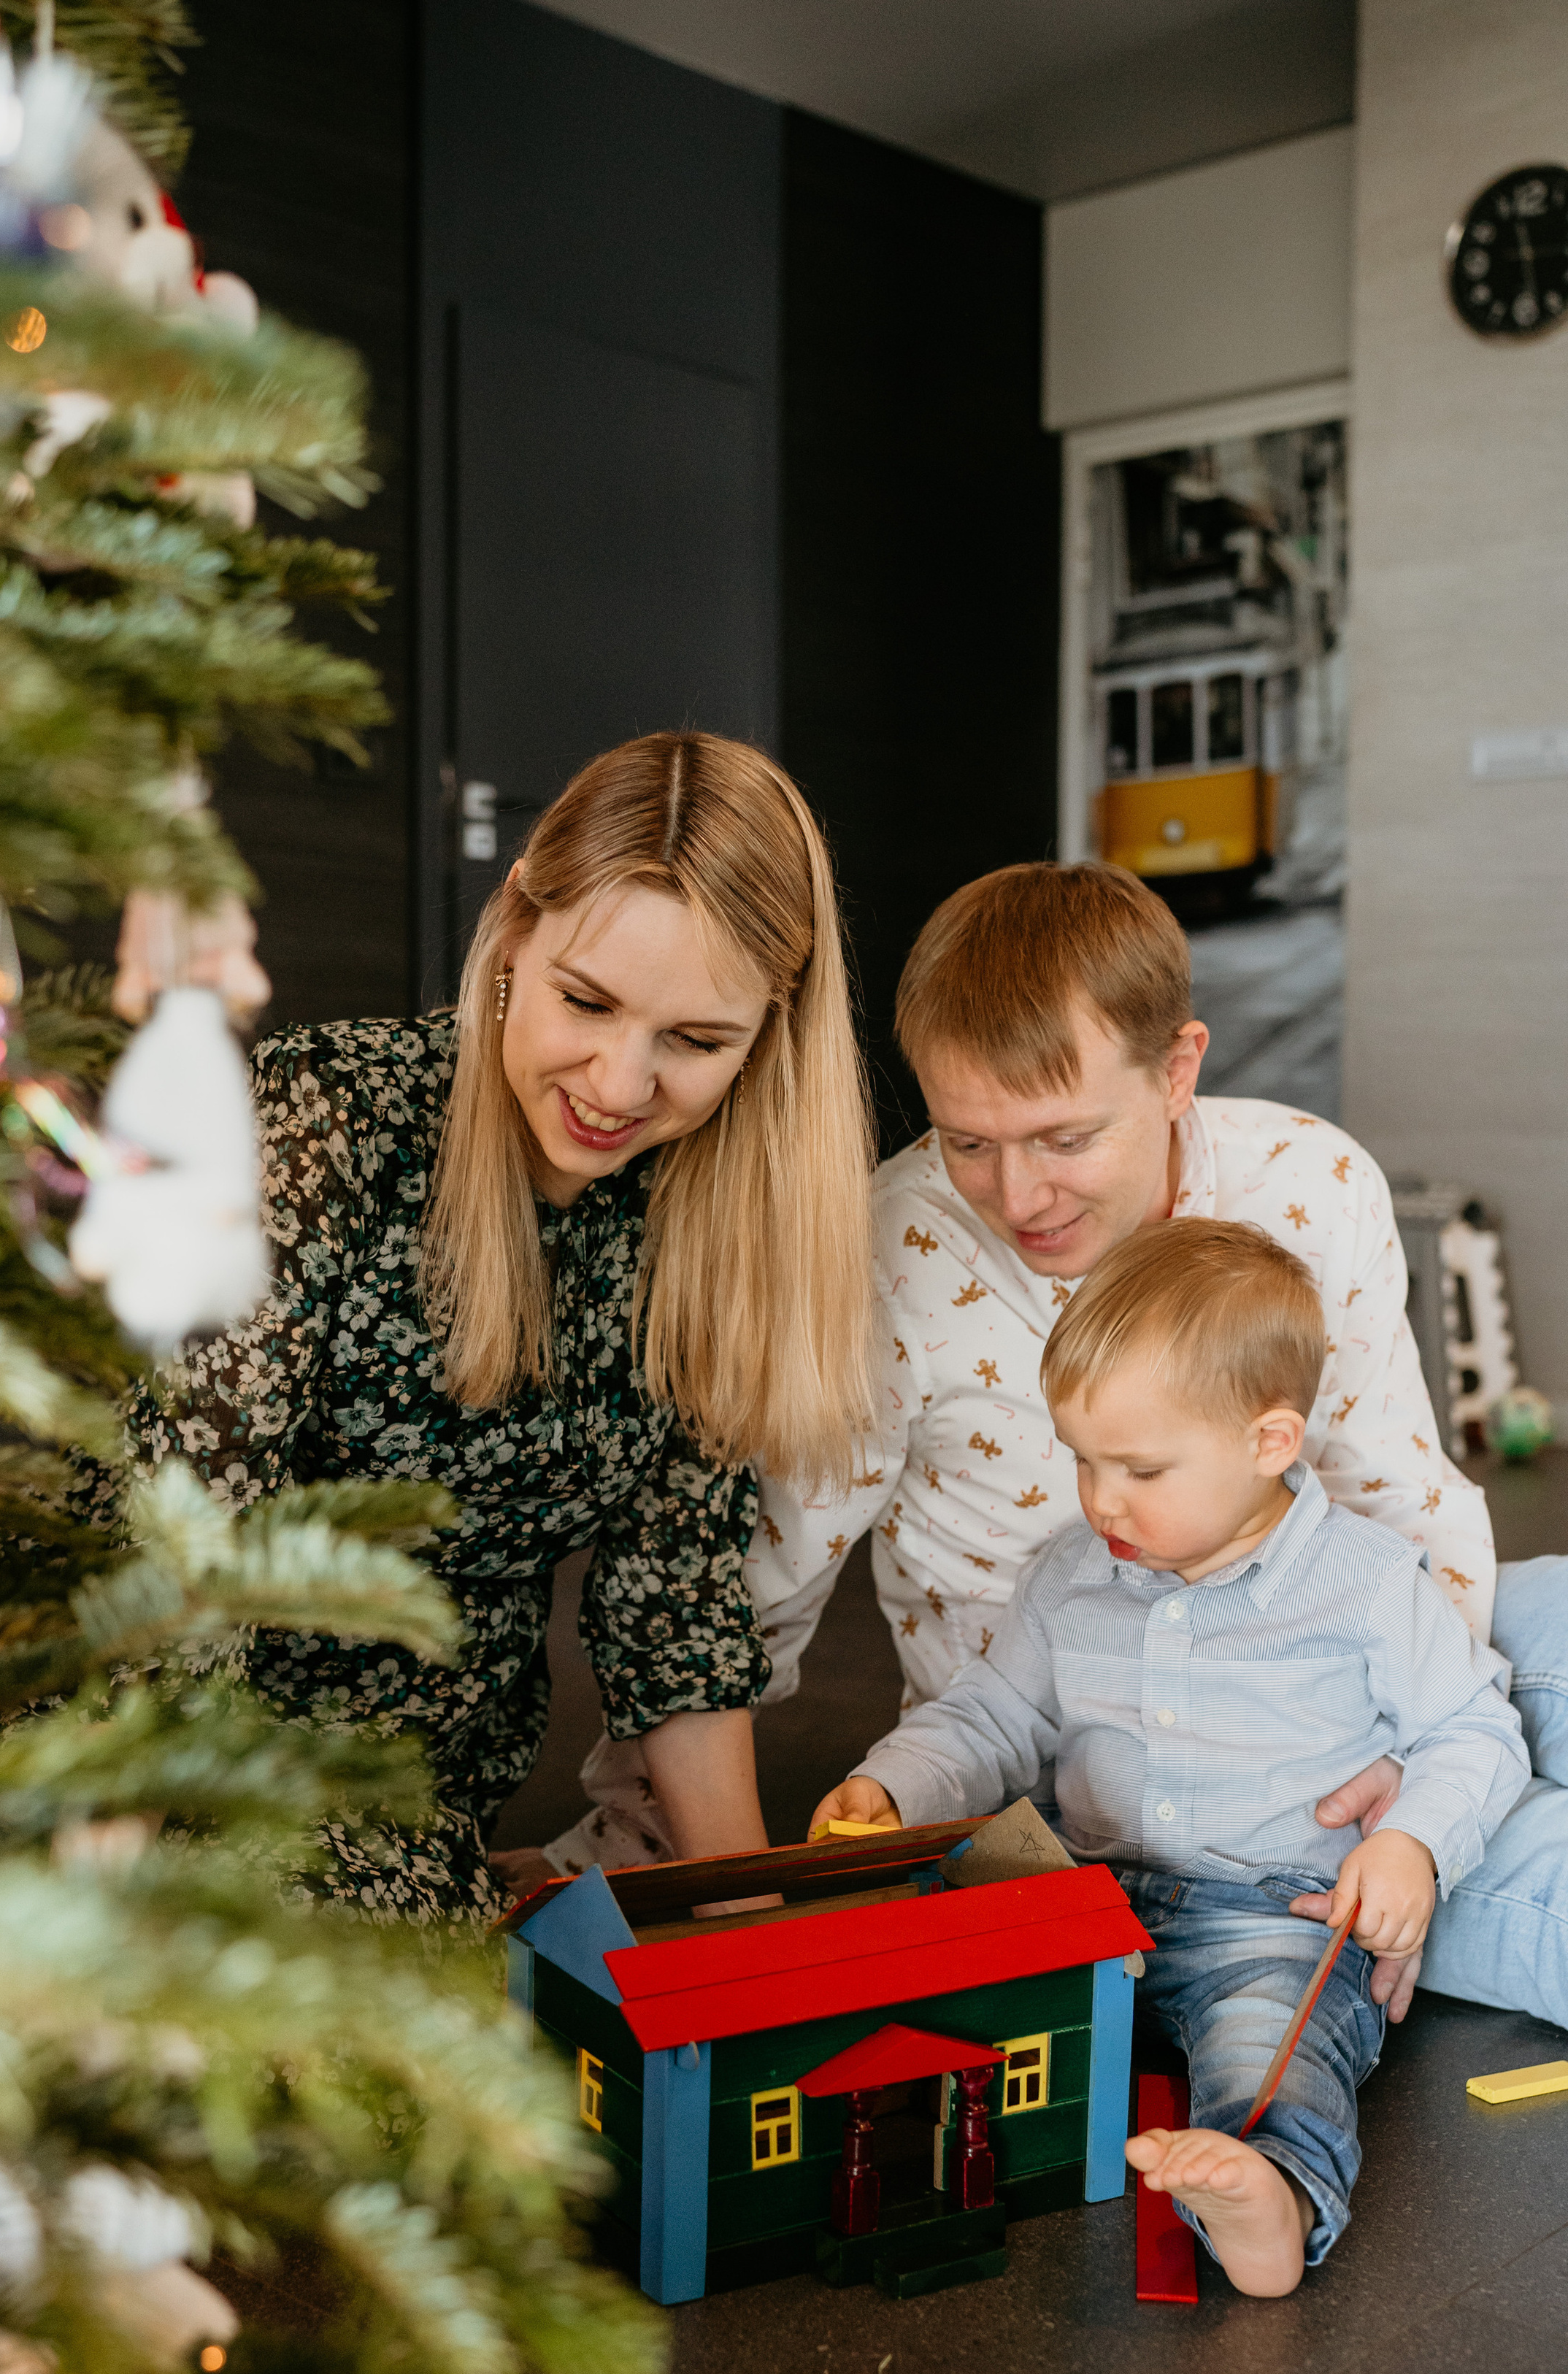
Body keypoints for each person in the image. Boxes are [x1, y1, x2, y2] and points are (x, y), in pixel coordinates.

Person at [564, 858, 1567, 2031]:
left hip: (1332, 1667)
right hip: (1113, 1761)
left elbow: (1397, 1492)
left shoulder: (1315, 1182)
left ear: (1178, 1071)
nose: (1019, 1195)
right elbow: (763, 1577)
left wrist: (1423, 1773)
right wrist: (638, 1848)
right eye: (968, 1143)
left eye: (1064, 1138)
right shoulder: (893, 1247)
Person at [134, 730, 877, 1921]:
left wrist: (749, 1930)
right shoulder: (328, 1120)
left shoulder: (712, 1222)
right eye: (586, 1002)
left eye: (695, 1042)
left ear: (768, 1038)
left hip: (405, 1808)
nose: (620, 1086)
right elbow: (177, 1532)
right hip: (161, 1750)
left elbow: (675, 1606)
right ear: (516, 930)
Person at [812, 1220, 1529, 2296]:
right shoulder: (1071, 1572)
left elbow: (1472, 1729)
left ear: (1270, 1442)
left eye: (1141, 1468)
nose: (1102, 1499)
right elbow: (995, 1715)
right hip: (1082, 1899)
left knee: (1266, 2047)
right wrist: (892, 1782)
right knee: (934, 1957)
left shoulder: (1369, 1583)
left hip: (1269, 1916)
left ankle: (1269, 2192)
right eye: (1082, 1460)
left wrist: (1414, 1847)